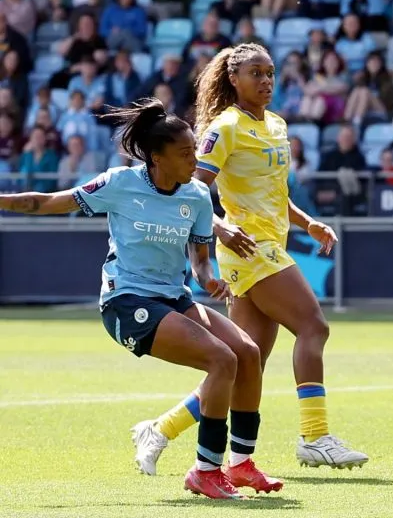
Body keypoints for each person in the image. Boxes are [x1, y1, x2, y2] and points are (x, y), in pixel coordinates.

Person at [0, 99, 278, 499]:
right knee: (222, 360)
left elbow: (200, 261)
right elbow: (46, 202)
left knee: (248, 353)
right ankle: (205, 471)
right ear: (156, 157)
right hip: (127, 302)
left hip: (174, 297)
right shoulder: (120, 183)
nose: (194, 160)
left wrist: (209, 280)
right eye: (184, 153)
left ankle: (241, 464)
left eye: (195, 150)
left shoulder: (198, 195)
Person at [132, 43, 370, 473]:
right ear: (233, 79)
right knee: (314, 326)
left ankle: (160, 429)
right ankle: (315, 436)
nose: (265, 81)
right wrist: (220, 226)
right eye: (255, 73)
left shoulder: (277, 124)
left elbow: (276, 193)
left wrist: (308, 223)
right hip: (249, 248)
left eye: (270, 73)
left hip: (270, 243)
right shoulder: (225, 127)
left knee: (246, 362)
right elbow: (190, 190)